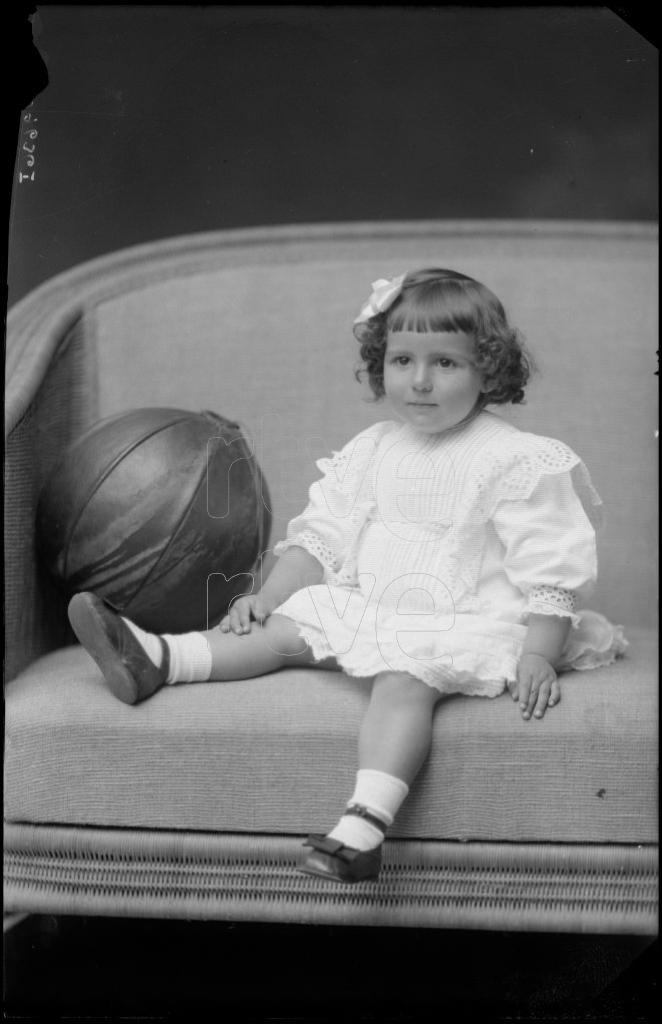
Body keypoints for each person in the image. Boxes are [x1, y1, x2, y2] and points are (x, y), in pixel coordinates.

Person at [67, 268, 627, 884]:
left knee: (404, 679)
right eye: (402, 359)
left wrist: (540, 652)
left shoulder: (515, 458)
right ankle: (159, 660)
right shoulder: (375, 447)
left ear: (489, 370)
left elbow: (549, 567)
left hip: (472, 619)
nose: (418, 380)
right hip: (380, 604)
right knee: (287, 627)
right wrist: (265, 597)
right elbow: (321, 540)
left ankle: (363, 828)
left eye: (446, 363)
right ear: (379, 363)